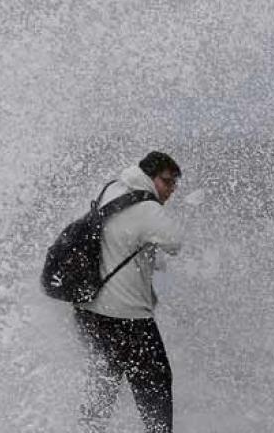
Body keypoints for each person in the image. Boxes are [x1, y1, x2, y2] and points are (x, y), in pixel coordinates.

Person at [72, 151, 184, 433]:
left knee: (104, 383)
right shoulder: (148, 208)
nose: (170, 191)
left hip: (90, 311)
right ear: (149, 176)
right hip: (128, 319)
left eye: (174, 185)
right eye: (167, 182)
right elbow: (175, 242)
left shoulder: (112, 188)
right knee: (156, 386)